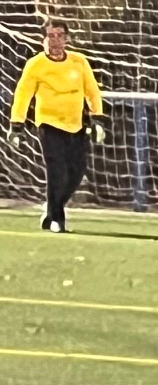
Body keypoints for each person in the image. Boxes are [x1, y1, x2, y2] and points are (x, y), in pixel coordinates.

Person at [6, 18, 107, 234]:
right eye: (51, 36)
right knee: (56, 171)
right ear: (43, 40)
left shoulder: (79, 62)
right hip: (49, 124)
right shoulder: (36, 65)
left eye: (60, 35)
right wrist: (16, 125)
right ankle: (57, 220)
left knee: (77, 172)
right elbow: (23, 95)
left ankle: (51, 208)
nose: (55, 40)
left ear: (67, 38)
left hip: (76, 125)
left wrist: (97, 118)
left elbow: (92, 91)